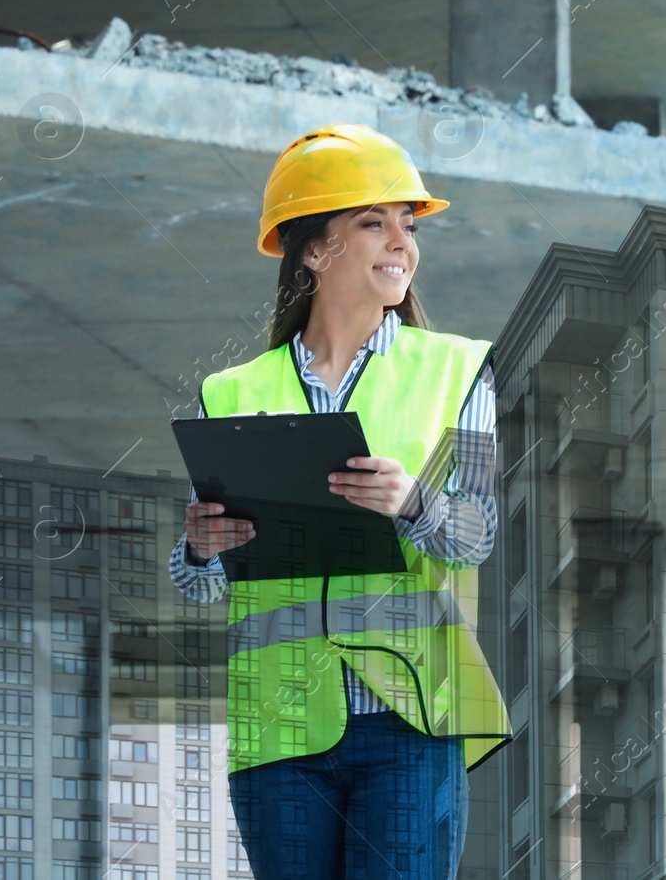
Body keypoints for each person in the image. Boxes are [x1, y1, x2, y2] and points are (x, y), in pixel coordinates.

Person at [168, 123, 510, 879]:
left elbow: (478, 532)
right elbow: (192, 583)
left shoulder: (461, 373)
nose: (402, 243)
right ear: (314, 249)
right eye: (373, 222)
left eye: (408, 225)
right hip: (280, 730)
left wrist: (414, 501)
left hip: (409, 722)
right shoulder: (231, 394)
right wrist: (201, 546)